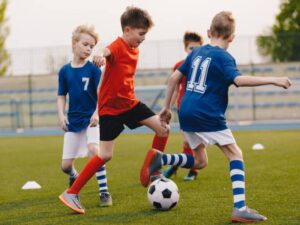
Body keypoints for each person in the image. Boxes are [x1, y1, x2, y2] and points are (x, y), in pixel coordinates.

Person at [141, 11, 291, 223]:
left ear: (209, 32)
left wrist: (166, 108)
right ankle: (240, 208)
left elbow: (174, 77)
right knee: (235, 154)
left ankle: (161, 159)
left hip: (186, 111)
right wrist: (273, 80)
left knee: (200, 161)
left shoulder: (196, 52)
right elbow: (238, 80)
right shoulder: (223, 57)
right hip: (207, 113)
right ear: (232, 37)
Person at [59, 6, 179, 214]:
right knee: (104, 155)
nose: (143, 38)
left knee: (163, 128)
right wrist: (99, 55)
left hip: (130, 104)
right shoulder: (118, 45)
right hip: (110, 111)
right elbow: (106, 51)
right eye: (141, 34)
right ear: (127, 30)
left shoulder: (135, 48)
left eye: (145, 35)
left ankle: (154, 171)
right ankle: (72, 192)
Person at [57, 25, 112, 208]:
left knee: (94, 151)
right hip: (73, 121)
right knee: (65, 166)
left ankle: (104, 192)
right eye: (86, 44)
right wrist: (61, 115)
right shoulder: (64, 71)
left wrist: (97, 113)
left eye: (92, 46)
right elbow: (61, 95)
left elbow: (101, 94)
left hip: (92, 119)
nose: (89, 49)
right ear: (74, 44)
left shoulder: (94, 70)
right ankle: (74, 176)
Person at [164, 31, 204, 181]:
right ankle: (191, 170)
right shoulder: (179, 66)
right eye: (191, 48)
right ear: (186, 49)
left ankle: (177, 166)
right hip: (184, 109)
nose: (194, 51)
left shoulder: (203, 67)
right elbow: (176, 90)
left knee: (197, 142)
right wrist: (169, 107)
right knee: (188, 141)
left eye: (198, 48)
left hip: (201, 109)